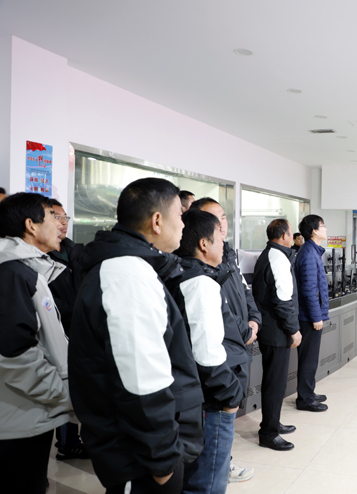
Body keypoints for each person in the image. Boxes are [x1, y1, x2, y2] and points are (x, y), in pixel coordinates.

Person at [68, 178, 204, 494]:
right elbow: (142, 383)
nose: (184, 224)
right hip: (141, 459)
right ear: (157, 220)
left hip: (146, 451)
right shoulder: (127, 276)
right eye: (180, 215)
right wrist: (163, 462)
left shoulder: (131, 268)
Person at [168, 210, 249, 494]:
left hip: (201, 395)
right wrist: (230, 396)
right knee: (208, 481)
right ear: (204, 244)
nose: (223, 246)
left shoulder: (184, 274)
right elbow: (206, 354)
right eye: (220, 240)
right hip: (211, 400)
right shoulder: (200, 283)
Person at [0, 192, 74, 494]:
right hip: (18, 419)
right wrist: (60, 394)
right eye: (54, 217)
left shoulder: (27, 270)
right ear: (31, 225)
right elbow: (14, 353)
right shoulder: (13, 273)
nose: (61, 224)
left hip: (28, 413)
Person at [189, 197, 260, 482]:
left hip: (238, 346)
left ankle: (222, 463)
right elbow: (219, 316)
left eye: (223, 217)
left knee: (221, 431)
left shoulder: (227, 256)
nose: (222, 225)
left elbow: (245, 294)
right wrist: (243, 332)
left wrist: (254, 320)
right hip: (223, 356)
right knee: (215, 424)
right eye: (215, 219)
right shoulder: (199, 276)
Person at [251, 219, 301, 451]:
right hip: (276, 331)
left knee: (276, 382)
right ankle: (269, 433)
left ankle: (272, 422)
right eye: (291, 233)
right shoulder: (277, 257)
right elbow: (282, 300)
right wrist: (294, 330)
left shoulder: (274, 254)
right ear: (283, 236)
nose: (293, 237)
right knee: (275, 382)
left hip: (274, 329)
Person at [47, 199, 88, 460]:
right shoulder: (41, 256)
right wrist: (74, 308)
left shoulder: (76, 251)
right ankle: (66, 443)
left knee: (76, 386)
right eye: (56, 217)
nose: (62, 223)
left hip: (80, 330)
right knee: (62, 384)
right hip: (58, 328)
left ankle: (75, 439)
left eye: (65, 218)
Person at [294, 214, 329, 412]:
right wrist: (316, 316)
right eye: (322, 226)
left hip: (311, 315)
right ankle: (305, 399)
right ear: (314, 230)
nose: (325, 229)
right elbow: (309, 290)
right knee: (308, 359)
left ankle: (308, 391)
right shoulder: (308, 253)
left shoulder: (312, 251)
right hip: (308, 317)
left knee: (311, 358)